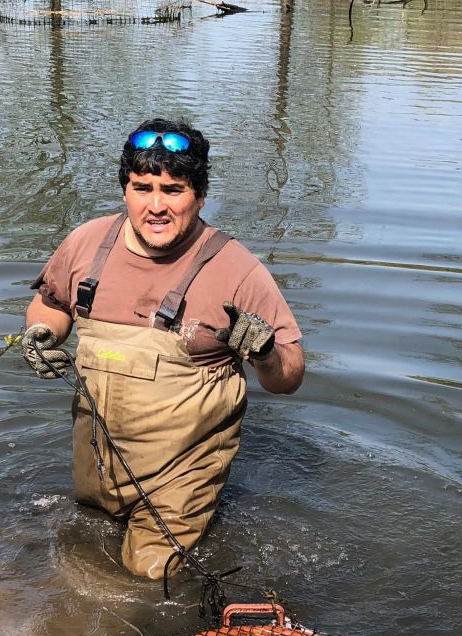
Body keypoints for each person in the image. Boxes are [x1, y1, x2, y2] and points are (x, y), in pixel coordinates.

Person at [23, 120, 305, 579]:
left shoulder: (237, 270)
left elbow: (289, 378)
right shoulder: (85, 244)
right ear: (125, 191)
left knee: (150, 580)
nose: (156, 206)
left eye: (173, 190)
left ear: (200, 195)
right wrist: (41, 336)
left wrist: (266, 353)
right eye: (142, 188)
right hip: (96, 460)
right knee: (77, 558)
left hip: (182, 474)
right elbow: (49, 304)